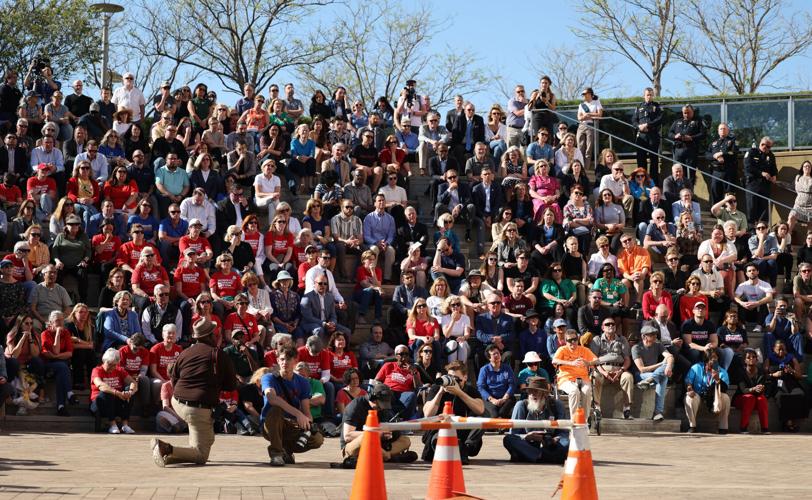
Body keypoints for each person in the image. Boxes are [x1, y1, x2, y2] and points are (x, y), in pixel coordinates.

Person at [150, 319, 238, 467]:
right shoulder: (219, 355)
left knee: (207, 438)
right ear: (210, 336)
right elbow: (231, 386)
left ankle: (171, 456)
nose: (217, 336)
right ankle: (165, 448)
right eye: (214, 333)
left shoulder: (185, 352)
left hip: (177, 401)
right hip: (198, 408)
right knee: (201, 455)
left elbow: (174, 378)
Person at [339, 382, 416, 469]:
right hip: (355, 445)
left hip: (378, 444)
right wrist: (375, 434)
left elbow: (391, 430)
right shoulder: (355, 406)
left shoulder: (383, 409)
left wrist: (391, 433)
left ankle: (383, 456)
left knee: (405, 440)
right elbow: (348, 436)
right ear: (373, 398)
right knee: (365, 438)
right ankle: (387, 456)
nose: (382, 408)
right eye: (380, 404)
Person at [422, 360, 485, 464]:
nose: (453, 382)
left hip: (462, 432)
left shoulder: (469, 390)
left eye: (456, 379)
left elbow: (481, 409)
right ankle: (458, 449)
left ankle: (464, 447)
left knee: (481, 419)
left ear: (465, 378)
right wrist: (440, 393)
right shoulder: (437, 388)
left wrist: (460, 393)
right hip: (440, 431)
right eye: (450, 378)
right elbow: (427, 414)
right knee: (437, 439)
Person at [503, 377, 568, 464]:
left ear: (545, 394)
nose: (532, 394)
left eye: (536, 391)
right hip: (528, 443)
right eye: (530, 391)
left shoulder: (556, 405)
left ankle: (532, 456)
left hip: (550, 443)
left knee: (567, 443)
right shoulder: (521, 405)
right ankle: (545, 457)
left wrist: (555, 439)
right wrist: (527, 436)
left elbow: (563, 431)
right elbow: (513, 433)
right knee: (508, 439)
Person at [590, 317, 634, 419]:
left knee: (628, 377)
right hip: (602, 368)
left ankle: (626, 409)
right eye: (607, 324)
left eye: (613, 324)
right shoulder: (597, 340)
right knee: (594, 376)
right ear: (602, 327)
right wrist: (604, 373)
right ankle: (597, 408)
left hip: (619, 369)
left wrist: (621, 370)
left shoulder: (622, 339)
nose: (611, 326)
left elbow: (627, 359)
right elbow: (593, 361)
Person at [552, 329, 599, 418]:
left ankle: (584, 420)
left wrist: (588, 363)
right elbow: (554, 360)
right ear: (566, 341)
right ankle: (574, 420)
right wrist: (571, 363)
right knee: (574, 391)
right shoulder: (562, 349)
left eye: (575, 339)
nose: (573, 342)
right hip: (566, 378)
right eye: (570, 340)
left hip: (583, 378)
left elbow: (597, 360)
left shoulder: (584, 350)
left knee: (587, 391)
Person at [91, 348, 138, 434]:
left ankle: (125, 425)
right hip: (99, 403)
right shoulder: (97, 370)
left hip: (116, 403)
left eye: (114, 365)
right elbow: (101, 385)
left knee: (129, 393)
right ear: (104, 361)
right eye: (110, 364)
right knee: (107, 392)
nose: (112, 367)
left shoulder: (119, 370)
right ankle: (112, 424)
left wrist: (130, 392)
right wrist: (117, 393)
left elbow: (133, 382)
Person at [633, 325, 674, 421]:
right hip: (640, 376)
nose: (655, 336)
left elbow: (670, 356)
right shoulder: (636, 348)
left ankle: (651, 379)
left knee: (664, 373)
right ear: (644, 336)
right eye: (652, 335)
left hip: (651, 376)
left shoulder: (658, 344)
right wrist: (661, 364)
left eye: (655, 334)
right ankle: (658, 412)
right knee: (663, 376)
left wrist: (668, 366)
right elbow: (642, 369)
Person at [764, 340, 808, 432]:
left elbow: (799, 376)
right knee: (782, 396)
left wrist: (792, 371)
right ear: (774, 349)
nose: (781, 352)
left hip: (791, 382)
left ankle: (792, 421)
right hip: (777, 383)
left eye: (783, 349)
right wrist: (773, 375)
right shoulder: (769, 358)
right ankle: (788, 423)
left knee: (799, 394)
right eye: (778, 349)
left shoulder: (791, 358)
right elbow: (765, 375)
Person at [684, 350, 730, 434]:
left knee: (726, 397)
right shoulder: (696, 367)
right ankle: (692, 426)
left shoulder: (722, 371)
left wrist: (717, 380)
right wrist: (690, 389)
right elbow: (688, 381)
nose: (714, 360)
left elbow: (725, 388)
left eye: (716, 358)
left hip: (713, 398)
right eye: (712, 358)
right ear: (706, 359)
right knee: (689, 398)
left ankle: (723, 427)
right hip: (698, 395)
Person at [39, 310, 76, 416]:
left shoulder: (66, 333)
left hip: (60, 366)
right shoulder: (45, 334)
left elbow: (69, 353)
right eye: (57, 320)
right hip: (47, 366)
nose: (60, 323)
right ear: (50, 323)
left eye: (61, 320)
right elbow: (54, 351)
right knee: (63, 366)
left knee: (62, 370)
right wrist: (58, 334)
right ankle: (69, 393)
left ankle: (61, 407)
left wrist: (56, 356)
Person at [734, 348, 769, 434]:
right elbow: (743, 390)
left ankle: (765, 428)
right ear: (744, 360)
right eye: (748, 357)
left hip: (756, 398)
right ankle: (743, 428)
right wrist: (753, 389)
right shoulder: (740, 372)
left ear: (757, 359)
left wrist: (761, 388)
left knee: (762, 399)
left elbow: (763, 388)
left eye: (753, 357)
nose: (751, 359)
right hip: (741, 399)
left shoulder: (761, 372)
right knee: (750, 397)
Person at [743, 136, 777, 225]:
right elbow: (748, 167)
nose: (765, 147)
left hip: (765, 185)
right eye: (763, 145)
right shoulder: (751, 152)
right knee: (752, 207)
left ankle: (763, 228)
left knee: (764, 209)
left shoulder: (771, 156)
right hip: (753, 184)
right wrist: (761, 173)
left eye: (768, 146)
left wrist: (774, 176)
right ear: (760, 143)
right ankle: (751, 229)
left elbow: (774, 169)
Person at [476, 343, 516, 419]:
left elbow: (512, 384)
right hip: (490, 398)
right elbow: (481, 387)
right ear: (489, 358)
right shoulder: (484, 369)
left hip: (506, 397)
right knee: (494, 414)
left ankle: (501, 424)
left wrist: (504, 398)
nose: (497, 355)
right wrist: (492, 400)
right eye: (494, 354)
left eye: (498, 353)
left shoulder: (507, 368)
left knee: (502, 412)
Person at [631, 88, 662, 181]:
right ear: (644, 96)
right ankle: (641, 182)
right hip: (641, 137)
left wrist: (648, 125)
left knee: (654, 160)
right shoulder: (639, 107)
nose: (649, 96)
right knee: (641, 160)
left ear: (653, 96)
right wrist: (639, 126)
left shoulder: (657, 106)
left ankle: (653, 182)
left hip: (653, 136)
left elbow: (659, 119)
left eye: (651, 95)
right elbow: (633, 120)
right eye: (647, 95)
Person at [668, 104, 705, 180]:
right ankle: (679, 191)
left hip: (691, 150)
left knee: (690, 174)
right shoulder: (677, 122)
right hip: (678, 150)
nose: (686, 114)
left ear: (693, 112)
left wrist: (691, 138)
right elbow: (669, 133)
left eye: (688, 112)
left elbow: (703, 134)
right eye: (685, 113)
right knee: (678, 172)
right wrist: (675, 136)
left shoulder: (698, 122)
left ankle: (689, 191)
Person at [704, 123, 739, 205]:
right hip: (716, 172)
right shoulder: (713, 143)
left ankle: (729, 213)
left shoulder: (733, 141)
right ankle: (716, 214)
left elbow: (734, 152)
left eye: (724, 129)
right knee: (715, 193)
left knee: (729, 195)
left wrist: (722, 154)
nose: (722, 130)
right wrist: (714, 156)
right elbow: (706, 154)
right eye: (721, 129)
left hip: (728, 172)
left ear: (728, 130)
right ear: (718, 131)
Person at [734, 262, 773, 326]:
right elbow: (736, 297)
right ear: (746, 274)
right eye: (749, 271)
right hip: (748, 311)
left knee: (764, 302)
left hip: (760, 312)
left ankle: (759, 325)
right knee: (743, 300)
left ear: (758, 272)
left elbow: (770, 298)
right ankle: (742, 325)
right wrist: (742, 303)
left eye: (754, 270)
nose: (752, 272)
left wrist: (757, 303)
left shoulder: (765, 284)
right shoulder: (743, 285)